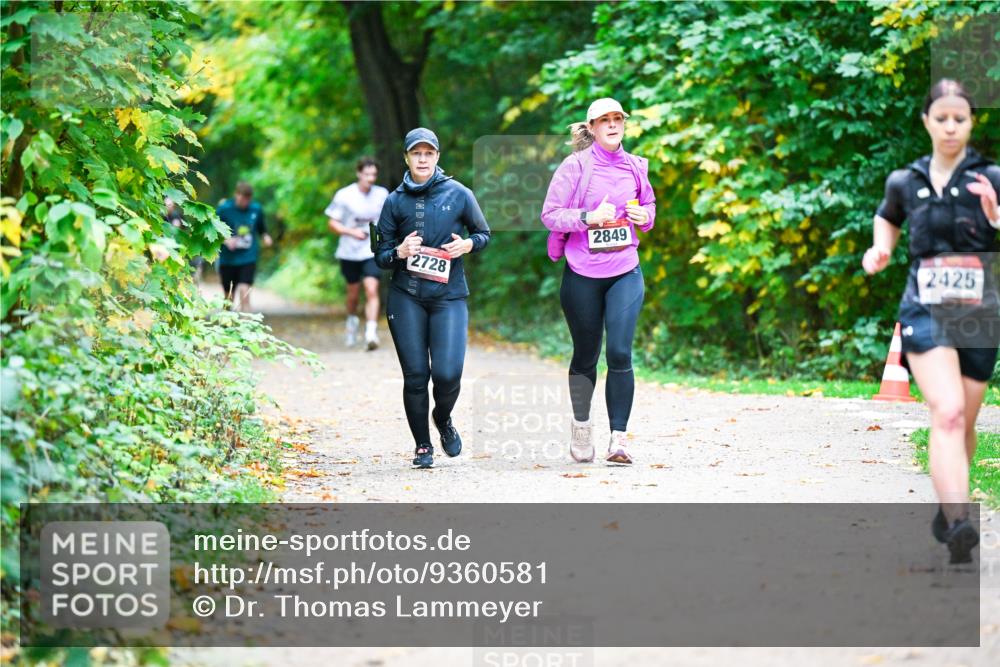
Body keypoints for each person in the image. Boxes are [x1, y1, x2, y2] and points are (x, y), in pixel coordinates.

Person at [863, 79, 1000, 564]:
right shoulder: (905, 180)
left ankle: (949, 506)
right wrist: (881, 249)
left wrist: (996, 218)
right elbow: (888, 217)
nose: (950, 127)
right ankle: (961, 523)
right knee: (946, 412)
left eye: (959, 119)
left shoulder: (993, 177)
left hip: (980, 313)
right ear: (926, 121)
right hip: (924, 308)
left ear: (970, 123)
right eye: (940, 118)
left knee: (965, 421)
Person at [541, 98, 656, 466]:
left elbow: (650, 210)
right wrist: (589, 217)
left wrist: (643, 215)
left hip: (625, 269)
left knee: (620, 352)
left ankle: (618, 440)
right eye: (603, 120)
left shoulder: (636, 166)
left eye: (617, 119)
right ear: (591, 127)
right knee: (586, 355)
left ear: (624, 124)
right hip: (582, 274)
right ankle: (581, 425)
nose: (611, 125)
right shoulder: (574, 167)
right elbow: (550, 215)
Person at [374, 128, 491, 468]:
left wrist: (467, 245)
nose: (422, 159)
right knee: (415, 376)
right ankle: (422, 445)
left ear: (437, 157)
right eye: (416, 153)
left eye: (428, 153)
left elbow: (483, 234)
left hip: (449, 297)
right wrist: (398, 250)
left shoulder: (459, 193)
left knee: (448, 374)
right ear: (406, 158)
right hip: (406, 296)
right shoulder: (394, 201)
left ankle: (443, 418)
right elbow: (380, 256)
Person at [325, 157, 389, 349]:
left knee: (371, 289)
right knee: (353, 294)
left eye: (374, 174)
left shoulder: (382, 194)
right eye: (367, 174)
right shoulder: (344, 195)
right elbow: (332, 222)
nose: (370, 178)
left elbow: (390, 219)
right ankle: (351, 324)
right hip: (349, 252)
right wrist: (351, 232)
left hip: (371, 251)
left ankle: (371, 333)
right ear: (359, 173)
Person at [216, 181, 273, 312]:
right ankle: (227, 325)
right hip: (228, 259)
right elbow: (213, 230)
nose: (245, 202)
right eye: (243, 198)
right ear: (236, 195)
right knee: (228, 296)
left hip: (248, 257)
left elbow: (262, 229)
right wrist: (226, 240)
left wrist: (266, 237)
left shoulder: (256, 209)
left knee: (244, 289)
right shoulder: (224, 209)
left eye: (248, 199)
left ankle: (246, 323)